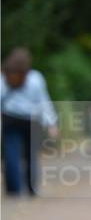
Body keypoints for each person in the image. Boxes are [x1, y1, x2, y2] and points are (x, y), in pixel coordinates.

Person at [1, 48, 57, 196]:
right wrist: (51, 123)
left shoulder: (4, 77)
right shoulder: (35, 78)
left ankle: (14, 189)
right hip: (31, 120)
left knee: (11, 153)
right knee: (31, 154)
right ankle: (32, 188)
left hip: (10, 118)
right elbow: (43, 102)